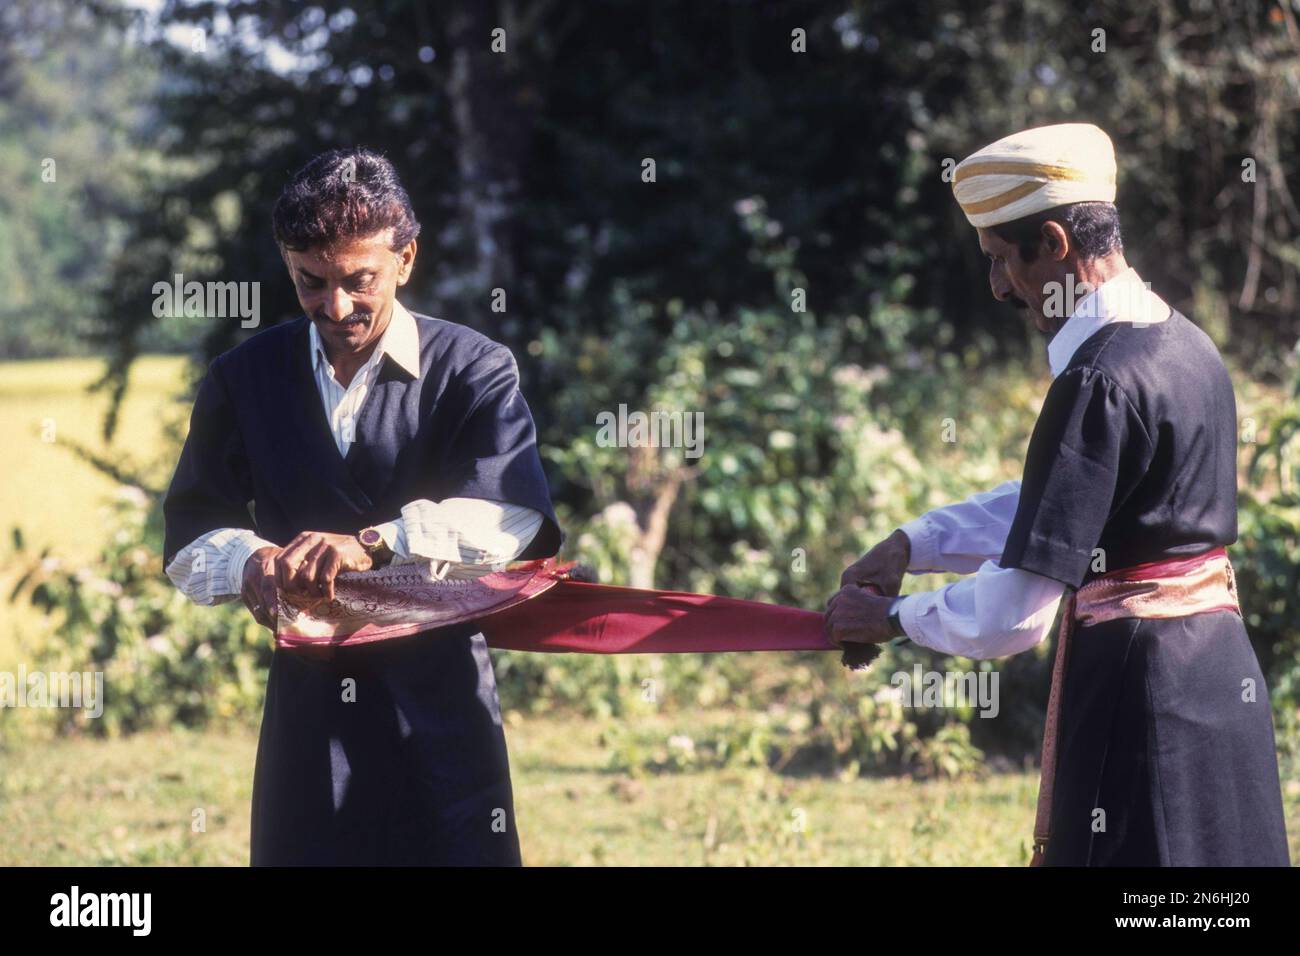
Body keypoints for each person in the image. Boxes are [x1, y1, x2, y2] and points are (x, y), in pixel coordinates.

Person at [825, 123, 1291, 866]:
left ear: (1055, 243)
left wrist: (892, 618)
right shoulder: (1184, 343)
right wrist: (916, 543)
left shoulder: (1097, 380)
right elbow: (1070, 499)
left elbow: (1016, 616)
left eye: (1002, 260)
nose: (999, 286)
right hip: (1215, 677)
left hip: (1141, 700)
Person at [162, 147, 561, 865]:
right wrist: (248, 563)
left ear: (405, 258)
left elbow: (509, 518)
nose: (335, 306)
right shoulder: (243, 378)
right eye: (310, 283)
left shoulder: (473, 369)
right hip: (309, 696)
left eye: (358, 280)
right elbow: (191, 532)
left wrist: (372, 542)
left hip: (440, 698)